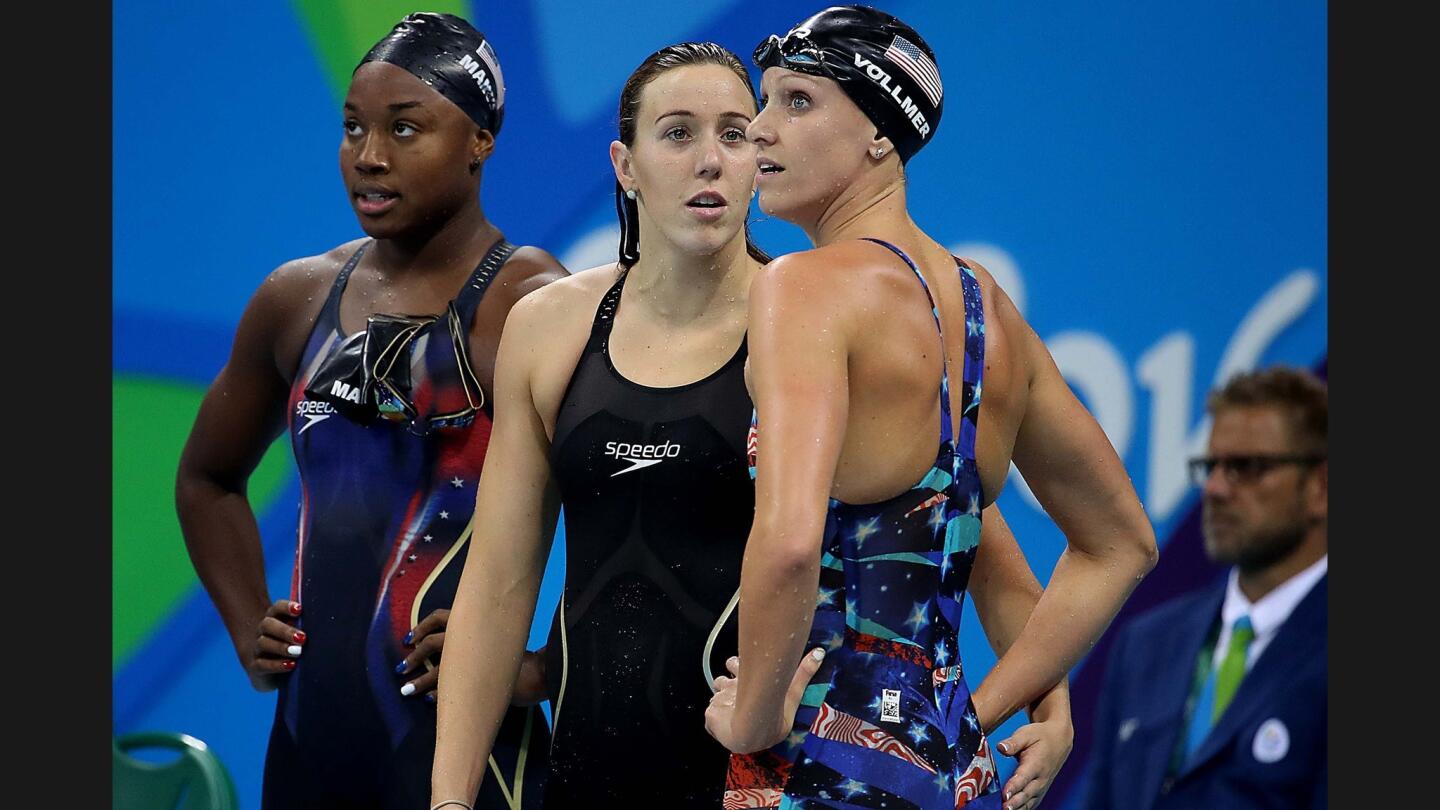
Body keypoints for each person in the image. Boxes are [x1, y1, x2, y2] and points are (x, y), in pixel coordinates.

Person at [431, 39, 1073, 810]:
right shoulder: (550, 328)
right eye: (677, 134)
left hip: (765, 782)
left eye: (735, 133)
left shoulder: (812, 327)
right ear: (624, 166)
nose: (712, 160)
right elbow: (499, 583)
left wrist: (1051, 702)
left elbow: (956, 535)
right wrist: (450, 800)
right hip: (583, 775)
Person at [701, 7, 1158, 810]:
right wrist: (981, 715)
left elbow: (789, 544)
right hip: (944, 768)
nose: (759, 128)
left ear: (881, 134)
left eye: (797, 102)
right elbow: (1117, 543)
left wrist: (755, 715)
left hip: (818, 762)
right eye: (764, 100)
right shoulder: (988, 311)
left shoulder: (803, 288)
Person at [174, 13, 561, 809]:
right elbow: (206, 479)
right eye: (353, 128)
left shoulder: (530, 303)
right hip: (312, 742)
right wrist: (249, 622)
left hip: (469, 749)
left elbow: (633, 507)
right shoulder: (297, 297)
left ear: (480, 141)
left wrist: (545, 665)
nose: (369, 156)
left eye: (406, 128)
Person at [1080, 366, 1327, 809]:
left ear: (1321, 488)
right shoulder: (1145, 645)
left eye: (1247, 468)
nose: (1214, 489)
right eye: (1211, 466)